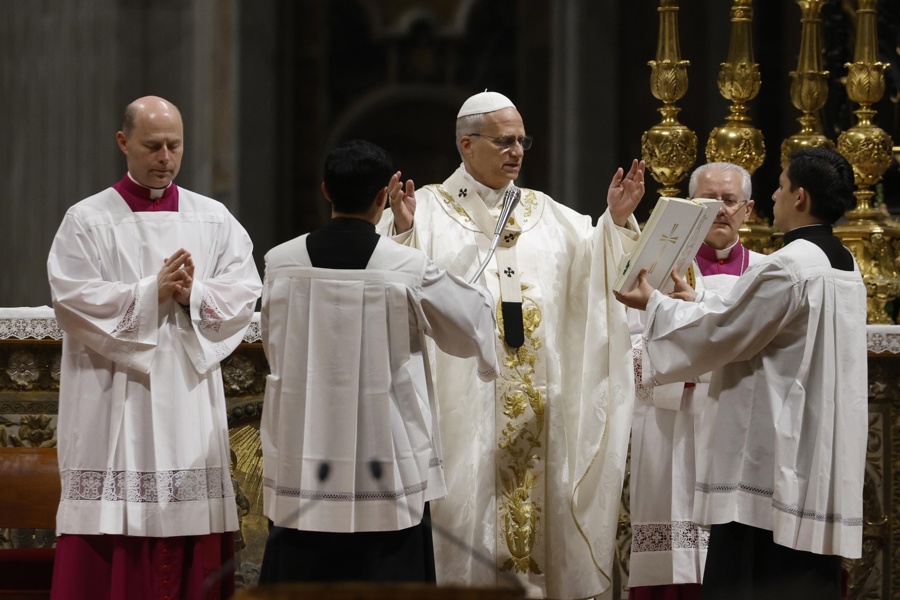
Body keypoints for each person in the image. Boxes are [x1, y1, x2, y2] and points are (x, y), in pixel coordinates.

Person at [377, 90, 645, 599]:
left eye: (522, 141)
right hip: (463, 413)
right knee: (464, 516)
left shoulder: (548, 214)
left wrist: (613, 222)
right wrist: (405, 233)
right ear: (466, 144)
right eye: (504, 141)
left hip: (543, 407)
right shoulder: (424, 210)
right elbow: (391, 289)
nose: (517, 151)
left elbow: (595, 275)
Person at [616, 147, 867, 600]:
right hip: (816, 449)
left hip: (768, 459)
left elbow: (723, 333)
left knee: (753, 580)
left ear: (801, 197)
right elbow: (752, 320)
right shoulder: (843, 263)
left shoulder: (790, 265)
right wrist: (696, 301)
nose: (774, 196)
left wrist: (654, 303)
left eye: (781, 186)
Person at [47, 96, 262, 600]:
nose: (165, 157)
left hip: (187, 396)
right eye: (153, 146)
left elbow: (244, 289)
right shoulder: (87, 219)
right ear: (124, 143)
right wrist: (151, 293)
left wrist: (193, 295)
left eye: (174, 145)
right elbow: (71, 296)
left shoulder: (213, 219)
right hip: (113, 396)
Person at [257, 139, 499, 584]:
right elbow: (473, 319)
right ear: (383, 196)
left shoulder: (281, 262)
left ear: (325, 190)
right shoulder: (405, 266)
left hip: (304, 446)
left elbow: (274, 343)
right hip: (387, 452)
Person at [627, 162, 763, 600]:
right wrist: (688, 366)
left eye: (730, 200)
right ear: (690, 207)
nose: (720, 210)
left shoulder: (767, 274)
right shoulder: (657, 270)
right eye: (708, 201)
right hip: (671, 425)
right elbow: (628, 344)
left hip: (737, 426)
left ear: (748, 210)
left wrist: (693, 354)